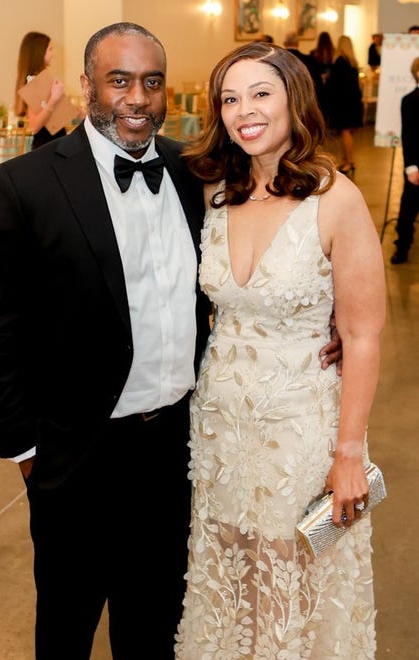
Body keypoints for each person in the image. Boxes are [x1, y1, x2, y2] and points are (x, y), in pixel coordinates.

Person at [0, 22, 341, 659]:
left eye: (151, 81)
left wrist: (323, 313)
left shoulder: (194, 171)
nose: (137, 97)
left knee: (157, 618)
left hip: (175, 444)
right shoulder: (23, 185)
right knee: (67, 622)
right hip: (74, 449)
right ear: (87, 87)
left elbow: (264, 249)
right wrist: (24, 447)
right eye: (119, 80)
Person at [174, 40, 385, 658]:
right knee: (231, 574)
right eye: (230, 99)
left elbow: (365, 335)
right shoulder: (217, 193)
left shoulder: (335, 199)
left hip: (301, 428)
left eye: (260, 94)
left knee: (295, 578)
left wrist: (348, 454)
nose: (244, 111)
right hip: (219, 428)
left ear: (295, 99)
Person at [14, 31, 68, 150]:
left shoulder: (42, 78)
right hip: (47, 146)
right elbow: (35, 126)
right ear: (39, 52)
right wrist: (54, 99)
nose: (52, 54)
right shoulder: (34, 81)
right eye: (50, 49)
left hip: (54, 142)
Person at [391, 56, 419, 264]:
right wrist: (410, 167)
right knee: (408, 208)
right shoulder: (410, 101)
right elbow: (408, 135)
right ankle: (402, 246)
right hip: (417, 165)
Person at [325, 35, 364, 175]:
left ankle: (349, 161)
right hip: (352, 102)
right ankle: (346, 159)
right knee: (346, 133)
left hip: (343, 104)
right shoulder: (352, 62)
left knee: (345, 133)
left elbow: (335, 85)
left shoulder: (340, 62)